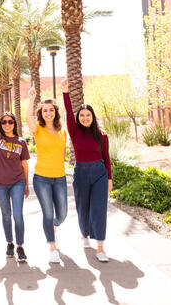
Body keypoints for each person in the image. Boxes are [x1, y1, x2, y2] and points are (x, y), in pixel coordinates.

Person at [61, 79, 112, 262]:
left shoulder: (101, 135)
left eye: (87, 115)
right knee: (83, 208)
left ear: (93, 116)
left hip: (99, 173)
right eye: (81, 115)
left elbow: (106, 157)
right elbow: (68, 112)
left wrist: (109, 179)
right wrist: (65, 92)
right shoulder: (74, 132)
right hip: (81, 173)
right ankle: (84, 234)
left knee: (99, 209)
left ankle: (100, 248)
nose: (84, 118)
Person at [0, 91, 30, 262]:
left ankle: (20, 246)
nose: (6, 124)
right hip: (0, 185)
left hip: (18, 182)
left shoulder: (21, 142)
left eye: (10, 122)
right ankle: (9, 243)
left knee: (17, 214)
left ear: (14, 123)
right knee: (6, 214)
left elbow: (25, 165)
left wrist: (26, 185)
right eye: (4, 122)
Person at [26, 86, 67, 264]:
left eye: (51, 110)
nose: (48, 113)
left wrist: (65, 91)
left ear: (55, 112)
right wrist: (31, 99)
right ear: (41, 113)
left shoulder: (62, 130)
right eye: (45, 111)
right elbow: (28, 117)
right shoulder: (38, 129)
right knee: (48, 213)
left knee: (63, 214)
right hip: (42, 178)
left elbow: (66, 112)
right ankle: (52, 247)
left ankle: (54, 227)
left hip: (60, 178)